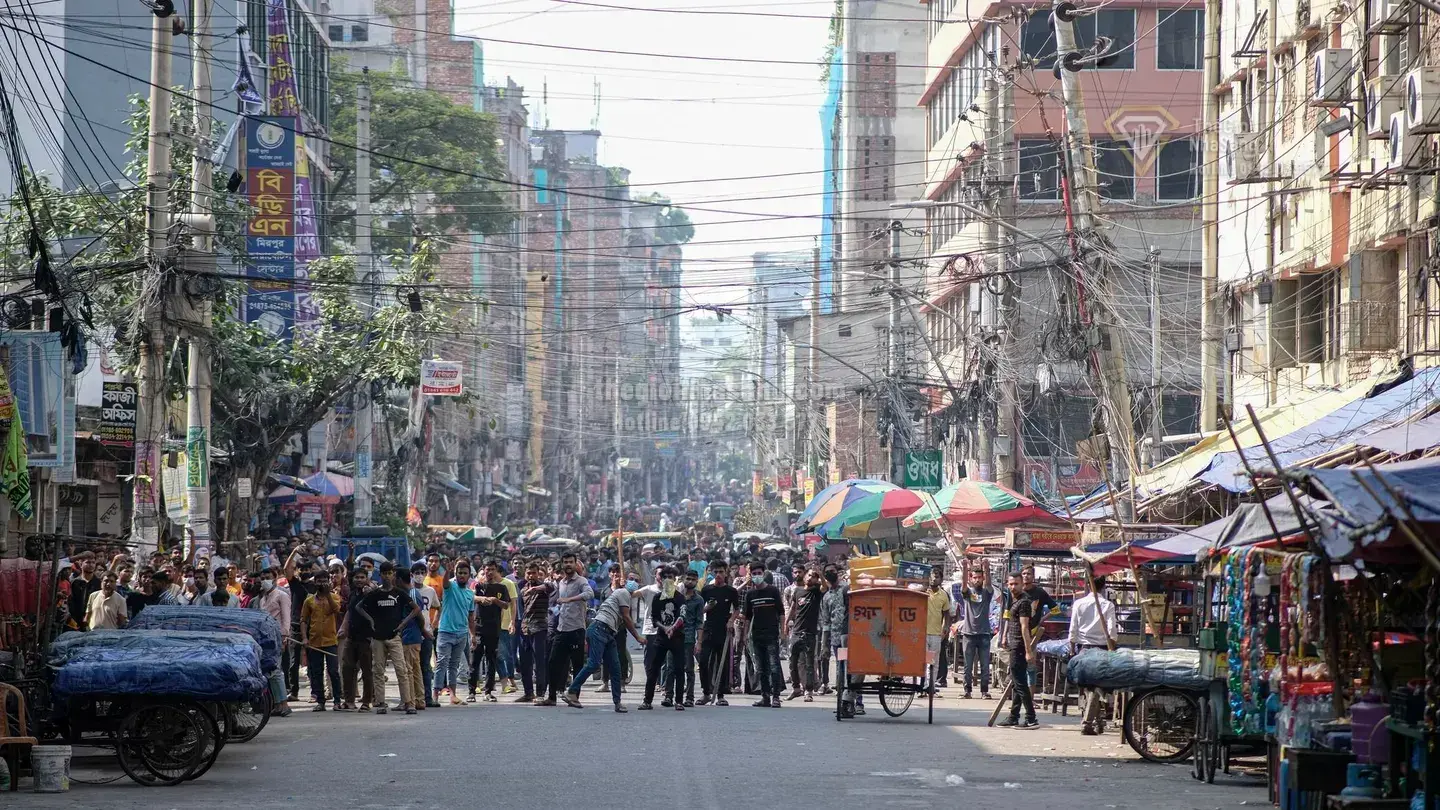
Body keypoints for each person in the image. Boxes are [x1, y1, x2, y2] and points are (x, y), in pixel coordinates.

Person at [562, 568, 645, 712]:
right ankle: (571, 691)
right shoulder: (623, 592)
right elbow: (626, 617)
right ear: (624, 581)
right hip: (599, 629)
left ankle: (617, 703)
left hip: (608, 633)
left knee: (616, 669)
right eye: (631, 579)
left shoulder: (626, 596)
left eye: (637, 581)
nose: (634, 583)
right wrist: (637, 637)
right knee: (594, 664)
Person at [354, 561, 421, 715]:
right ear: (381, 574)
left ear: (393, 575)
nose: (387, 576)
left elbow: (416, 609)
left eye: (390, 573)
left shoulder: (399, 593)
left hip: (394, 636)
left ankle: (408, 702)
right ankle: (381, 702)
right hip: (377, 638)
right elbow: (359, 607)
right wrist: (370, 620)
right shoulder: (375, 593)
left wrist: (403, 624)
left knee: (401, 669)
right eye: (384, 573)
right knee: (378, 670)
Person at [1068, 575, 1118, 734]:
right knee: (1094, 687)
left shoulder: (1079, 604)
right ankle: (1089, 723)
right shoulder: (1108, 605)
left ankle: (1097, 721)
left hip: (1084, 648)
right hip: (1101, 649)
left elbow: (1073, 629)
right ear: (1104, 586)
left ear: (1088, 585)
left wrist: (1072, 648)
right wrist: (1112, 648)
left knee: (1091, 687)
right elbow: (1112, 632)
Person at [544, 552, 593, 706]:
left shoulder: (581, 581)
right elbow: (551, 588)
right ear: (562, 564)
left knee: (577, 665)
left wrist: (570, 599)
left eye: (571, 562)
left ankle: (574, 696)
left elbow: (589, 594)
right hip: (562, 629)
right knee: (553, 663)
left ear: (575, 563)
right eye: (565, 562)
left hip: (576, 630)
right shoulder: (562, 582)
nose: (568, 565)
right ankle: (552, 697)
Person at [640, 567, 686, 711]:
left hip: (677, 638)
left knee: (679, 669)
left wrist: (673, 628)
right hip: (661, 637)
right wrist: (665, 628)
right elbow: (654, 618)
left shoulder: (679, 597)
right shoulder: (657, 597)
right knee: (654, 669)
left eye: (670, 577)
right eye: (664, 576)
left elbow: (682, 616)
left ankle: (679, 701)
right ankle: (647, 700)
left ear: (675, 579)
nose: (667, 579)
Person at [997, 572, 1039, 729]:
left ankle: (1031, 718)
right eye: (1010, 584)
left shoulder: (1024, 602)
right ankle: (1014, 717)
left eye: (1016, 584)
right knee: (1016, 683)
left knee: (1020, 683)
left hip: (1019, 647)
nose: (1013, 586)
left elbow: (1024, 627)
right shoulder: (1014, 601)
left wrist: (1028, 651)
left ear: (1022, 584)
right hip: (1014, 646)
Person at [743, 560, 785, 708]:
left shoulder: (773, 591)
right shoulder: (750, 594)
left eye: (759, 573)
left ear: (764, 573)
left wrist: (783, 631)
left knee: (774, 666)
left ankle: (776, 697)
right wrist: (745, 635)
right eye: (754, 574)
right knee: (761, 669)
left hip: (772, 634)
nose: (757, 576)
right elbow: (747, 617)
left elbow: (781, 612)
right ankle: (765, 697)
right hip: (756, 636)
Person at [697, 561, 740, 706]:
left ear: (726, 572)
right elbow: (699, 610)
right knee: (703, 661)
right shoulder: (707, 590)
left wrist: (731, 621)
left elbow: (736, 609)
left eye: (721, 572)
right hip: (708, 629)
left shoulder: (731, 591)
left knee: (722, 662)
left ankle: (721, 694)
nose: (718, 575)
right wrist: (707, 608)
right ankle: (705, 693)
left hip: (724, 630)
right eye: (715, 572)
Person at [434, 559, 476, 706]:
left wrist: (473, 635)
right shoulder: (450, 587)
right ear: (456, 574)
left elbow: (471, 616)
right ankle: (435, 695)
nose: (462, 576)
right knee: (441, 664)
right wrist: (447, 571)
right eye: (459, 573)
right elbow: (444, 583)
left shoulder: (470, 594)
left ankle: (453, 695)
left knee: (454, 665)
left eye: (465, 573)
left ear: (469, 575)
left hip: (462, 634)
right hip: (445, 632)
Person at [300, 569, 343, 711]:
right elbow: (303, 621)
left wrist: (328, 594)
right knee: (316, 672)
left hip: (331, 641)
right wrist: (305, 638)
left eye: (324, 580)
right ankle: (320, 701)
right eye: (319, 581)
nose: (322, 583)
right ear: (315, 582)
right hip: (314, 642)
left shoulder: (335, 597)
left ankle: (337, 701)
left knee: (333, 672)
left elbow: (336, 610)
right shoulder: (309, 601)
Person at [469, 559, 512, 702]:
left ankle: (488, 691)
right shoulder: (478, 585)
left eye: (492, 569)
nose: (489, 572)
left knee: (491, 660)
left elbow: (506, 605)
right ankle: (472, 691)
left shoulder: (501, 588)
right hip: (479, 628)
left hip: (494, 628)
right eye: (487, 569)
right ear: (484, 570)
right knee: (475, 661)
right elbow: (471, 597)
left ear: (496, 571)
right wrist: (482, 599)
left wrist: (495, 600)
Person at [516, 561, 555, 703]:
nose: (531, 575)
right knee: (525, 663)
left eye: (533, 573)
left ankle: (540, 693)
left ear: (538, 573)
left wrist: (537, 588)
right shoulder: (522, 589)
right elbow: (520, 610)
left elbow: (551, 586)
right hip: (525, 629)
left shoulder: (544, 587)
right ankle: (528, 693)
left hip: (539, 628)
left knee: (540, 663)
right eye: (528, 573)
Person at [258, 568, 295, 717]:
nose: (265, 580)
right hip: (266, 639)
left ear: (274, 578)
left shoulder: (282, 595)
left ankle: (284, 704)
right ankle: (278, 704)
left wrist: (284, 636)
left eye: (267, 577)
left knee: (276, 671)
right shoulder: (262, 599)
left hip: (278, 637)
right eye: (262, 578)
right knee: (271, 672)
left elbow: (286, 618)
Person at [339, 568, 376, 711]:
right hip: (351, 637)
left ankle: (367, 702)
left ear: (367, 578)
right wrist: (343, 627)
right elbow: (349, 611)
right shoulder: (353, 593)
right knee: (347, 668)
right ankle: (349, 701)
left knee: (366, 671)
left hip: (366, 638)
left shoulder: (371, 594)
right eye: (357, 577)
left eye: (362, 577)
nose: (359, 580)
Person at [957, 562, 995, 700]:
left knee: (985, 666)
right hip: (968, 634)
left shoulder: (987, 593)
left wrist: (987, 568)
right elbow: (963, 585)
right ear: (971, 579)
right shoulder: (967, 593)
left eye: (980, 577)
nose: (977, 579)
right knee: (967, 666)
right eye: (975, 577)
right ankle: (967, 691)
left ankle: (984, 691)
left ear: (983, 578)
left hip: (984, 634)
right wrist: (966, 568)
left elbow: (989, 584)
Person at [785, 568, 823, 702]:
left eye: (813, 576)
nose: (810, 578)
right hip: (796, 631)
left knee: (809, 663)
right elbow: (793, 608)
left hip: (810, 633)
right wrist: (786, 623)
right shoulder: (797, 591)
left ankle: (808, 690)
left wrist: (821, 574)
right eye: (809, 575)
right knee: (792, 662)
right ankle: (796, 689)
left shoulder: (817, 592)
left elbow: (825, 587)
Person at [395, 568, 428, 712]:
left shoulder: (412, 593)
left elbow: (419, 615)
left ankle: (410, 701)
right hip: (412, 635)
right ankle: (419, 699)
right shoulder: (409, 593)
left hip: (410, 636)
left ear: (400, 580)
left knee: (409, 670)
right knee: (415, 669)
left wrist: (421, 631)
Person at [409, 563, 440, 708]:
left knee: (425, 666)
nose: (419, 575)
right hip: (412, 633)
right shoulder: (409, 591)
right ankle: (412, 697)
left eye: (422, 572)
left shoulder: (430, 591)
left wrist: (434, 625)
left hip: (427, 633)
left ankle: (427, 698)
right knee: (411, 667)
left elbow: (438, 607)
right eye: (417, 572)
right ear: (412, 574)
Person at [675, 568, 705, 706]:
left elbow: (699, 622)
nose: (690, 581)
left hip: (688, 638)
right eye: (688, 578)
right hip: (673, 637)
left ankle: (689, 697)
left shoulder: (698, 600)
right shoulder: (675, 596)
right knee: (673, 669)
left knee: (689, 669)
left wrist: (699, 642)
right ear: (683, 579)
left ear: (697, 581)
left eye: (693, 579)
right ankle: (671, 696)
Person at [925, 568, 954, 690]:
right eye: (931, 576)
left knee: (934, 662)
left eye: (936, 577)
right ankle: (924, 685)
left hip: (936, 634)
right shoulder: (923, 592)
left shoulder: (944, 595)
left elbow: (947, 613)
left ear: (941, 580)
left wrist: (945, 628)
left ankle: (931, 686)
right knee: (924, 661)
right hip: (923, 632)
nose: (933, 579)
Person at [67, 553, 101, 630]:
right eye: (88, 562)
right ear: (81, 564)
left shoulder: (99, 583)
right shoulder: (74, 582)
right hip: (75, 621)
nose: (91, 565)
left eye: (93, 563)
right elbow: (70, 602)